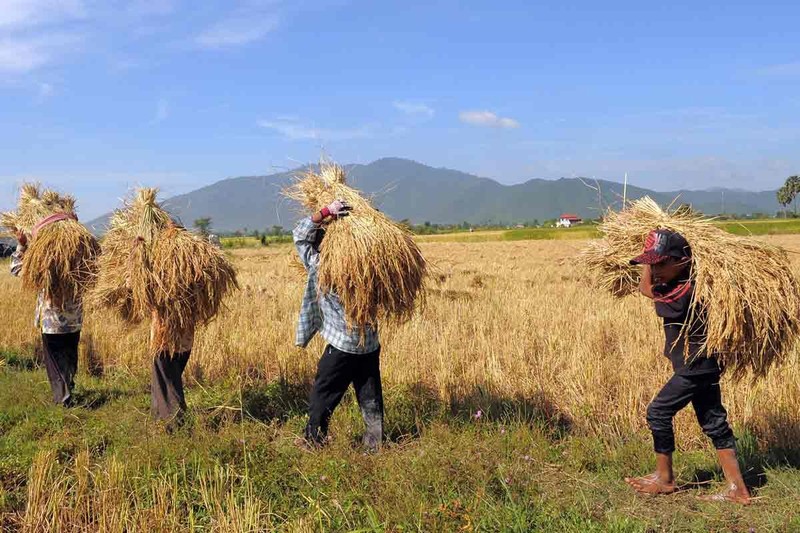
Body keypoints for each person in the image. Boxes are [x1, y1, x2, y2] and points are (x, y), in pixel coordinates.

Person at [624, 229, 751, 504]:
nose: (655, 270)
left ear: (683, 260)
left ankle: (665, 479)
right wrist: (651, 260)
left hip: (693, 367)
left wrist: (647, 265)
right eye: (652, 264)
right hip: (705, 365)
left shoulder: (685, 291)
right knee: (714, 422)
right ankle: (737, 489)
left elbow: (645, 290)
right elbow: (652, 285)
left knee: (658, 412)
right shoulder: (691, 282)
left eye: (661, 263)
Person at [293, 199, 384, 451]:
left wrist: (325, 213)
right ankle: (374, 446)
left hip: (342, 346)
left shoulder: (325, 266)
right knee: (370, 395)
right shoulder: (375, 268)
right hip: (369, 343)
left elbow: (300, 237)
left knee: (323, 394)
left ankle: (313, 441)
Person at [10, 222, 82, 407]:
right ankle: (68, 387)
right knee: (69, 356)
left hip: (52, 323)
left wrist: (22, 245)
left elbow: (17, 269)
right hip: (74, 321)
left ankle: (63, 399)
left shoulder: (42, 262)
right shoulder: (78, 257)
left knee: (55, 361)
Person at [149, 310, 195, 423]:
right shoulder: (194, 295)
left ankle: (174, 422)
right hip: (184, 343)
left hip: (165, 342)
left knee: (167, 383)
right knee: (165, 381)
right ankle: (160, 417)